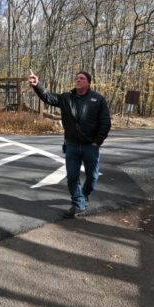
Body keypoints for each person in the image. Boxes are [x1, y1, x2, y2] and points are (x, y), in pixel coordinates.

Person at [28, 69, 111, 218]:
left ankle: (83, 195)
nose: (78, 80)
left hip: (90, 146)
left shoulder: (98, 99)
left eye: (82, 78)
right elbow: (48, 97)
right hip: (72, 145)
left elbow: (105, 123)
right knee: (72, 177)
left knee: (92, 177)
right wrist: (37, 85)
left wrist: (98, 142)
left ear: (88, 82)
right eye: (77, 78)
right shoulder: (67, 97)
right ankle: (78, 204)